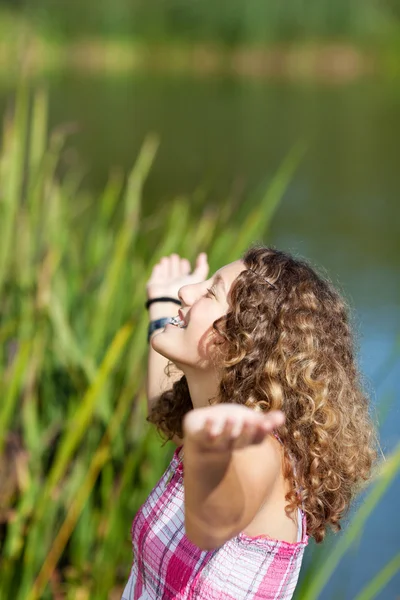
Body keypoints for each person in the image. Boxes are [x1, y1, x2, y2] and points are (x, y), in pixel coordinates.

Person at [122, 245, 377, 600]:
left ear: (242, 342)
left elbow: (212, 522)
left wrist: (206, 452)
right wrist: (162, 303)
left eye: (210, 292)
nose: (186, 292)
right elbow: (160, 401)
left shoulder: (259, 450)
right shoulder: (208, 415)